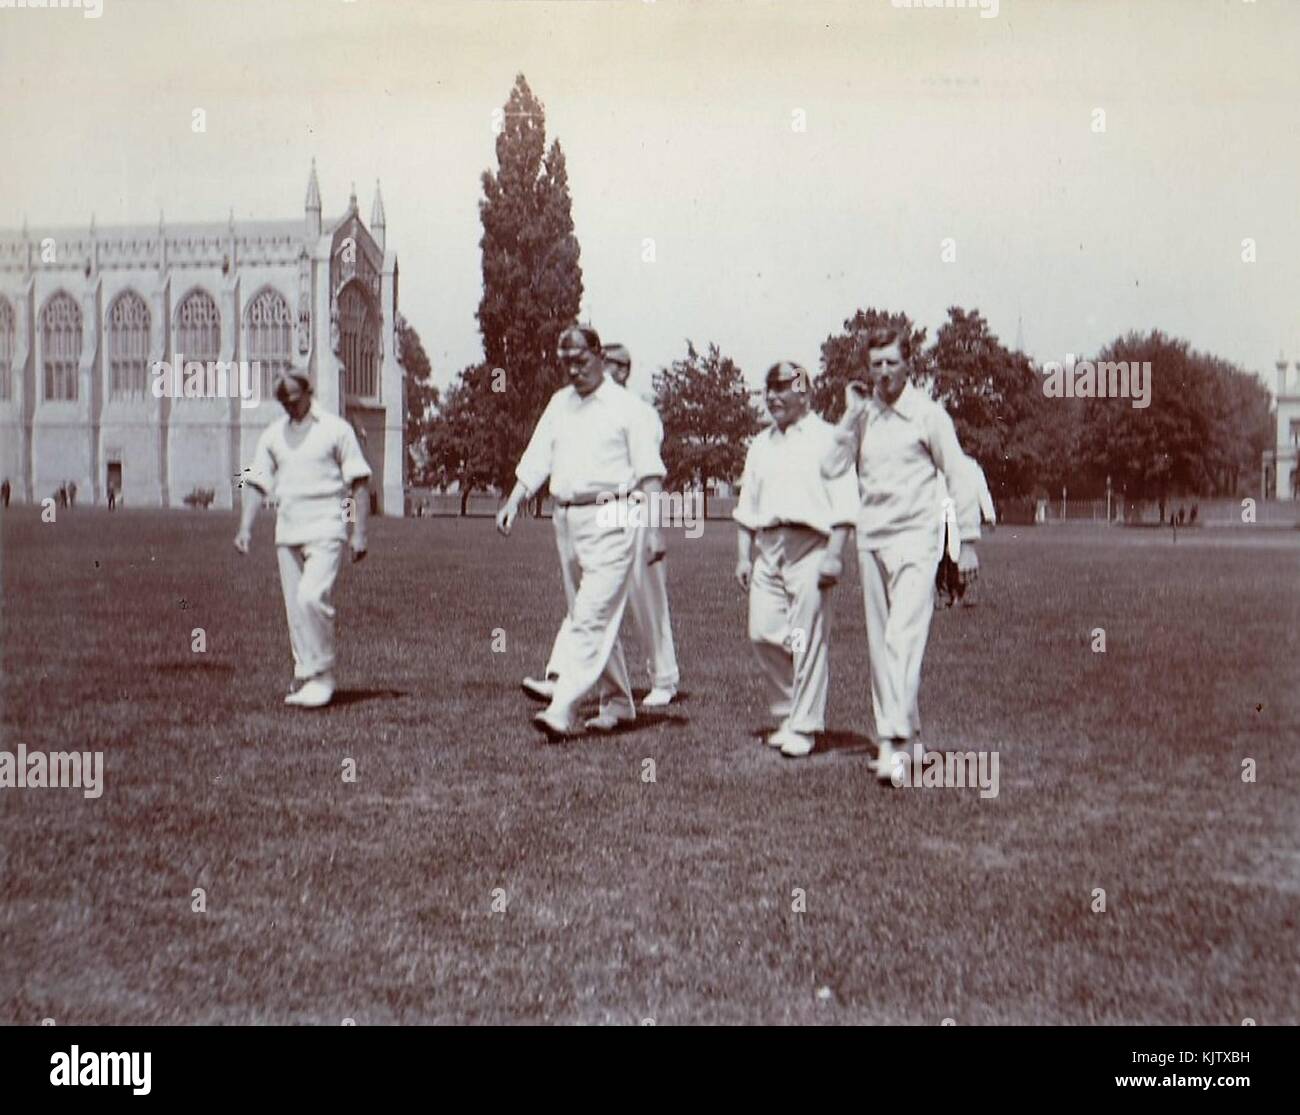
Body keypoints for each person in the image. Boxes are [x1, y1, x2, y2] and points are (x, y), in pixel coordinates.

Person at [822, 326, 980, 783]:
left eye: (892, 362)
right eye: (876, 364)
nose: (884, 372)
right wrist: (850, 417)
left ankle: (892, 743)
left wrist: (966, 541)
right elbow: (829, 467)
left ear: (909, 364)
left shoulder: (929, 415)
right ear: (868, 369)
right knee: (880, 648)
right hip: (871, 539)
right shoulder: (864, 416)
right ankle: (904, 737)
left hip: (916, 540)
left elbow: (959, 473)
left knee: (902, 641)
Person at [497, 325, 667, 741]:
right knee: (586, 614)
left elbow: (650, 474)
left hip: (615, 515)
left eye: (581, 361)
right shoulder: (560, 404)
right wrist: (515, 499)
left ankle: (562, 708)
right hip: (567, 519)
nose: (573, 371)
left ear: (598, 356)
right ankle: (619, 702)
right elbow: (538, 456)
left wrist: (655, 530)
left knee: (590, 615)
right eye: (566, 364)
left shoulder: (629, 409)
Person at [523, 343, 681, 709]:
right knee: (588, 598)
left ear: (624, 371)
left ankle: (664, 678)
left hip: (633, 509)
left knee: (646, 595)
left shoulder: (639, 412)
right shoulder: (578, 408)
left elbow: (645, 467)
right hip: (597, 513)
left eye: (612, 366)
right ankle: (562, 674)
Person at [734, 362, 858, 758]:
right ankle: (790, 711)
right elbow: (747, 506)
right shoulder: (760, 443)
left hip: (812, 547)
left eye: (783, 389)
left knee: (807, 640)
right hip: (768, 549)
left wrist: (835, 556)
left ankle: (804, 726)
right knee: (762, 632)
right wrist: (743, 556)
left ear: (805, 392)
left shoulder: (828, 439)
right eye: (769, 390)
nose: (773, 397)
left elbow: (846, 503)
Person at [235, 370, 371, 708]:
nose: (290, 409)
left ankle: (324, 674)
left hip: (326, 526)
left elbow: (358, 483)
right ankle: (308, 675)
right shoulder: (272, 436)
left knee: (312, 597)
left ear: (309, 393)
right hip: (288, 529)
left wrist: (360, 532)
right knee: (296, 609)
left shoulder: (336, 430)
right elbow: (255, 483)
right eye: (284, 403)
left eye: (294, 402)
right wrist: (245, 528)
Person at [935, 455, 994, 608]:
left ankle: (956, 595)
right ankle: (946, 593)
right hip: (947, 521)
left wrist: (989, 514)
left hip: (964, 521)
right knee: (943, 559)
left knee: (961, 562)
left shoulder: (972, 469)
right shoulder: (942, 468)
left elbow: (983, 492)